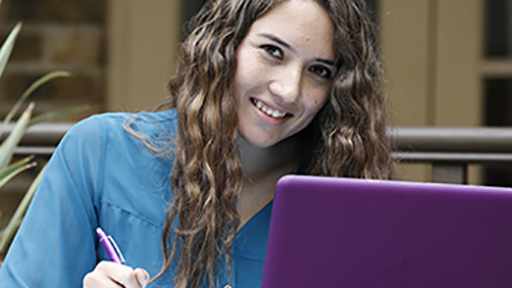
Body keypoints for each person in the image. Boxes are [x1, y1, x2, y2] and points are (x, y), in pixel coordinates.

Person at [0, 0, 394, 287]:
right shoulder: (98, 154)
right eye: (273, 52)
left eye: (319, 71)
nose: (289, 90)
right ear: (224, 47)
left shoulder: (344, 200)